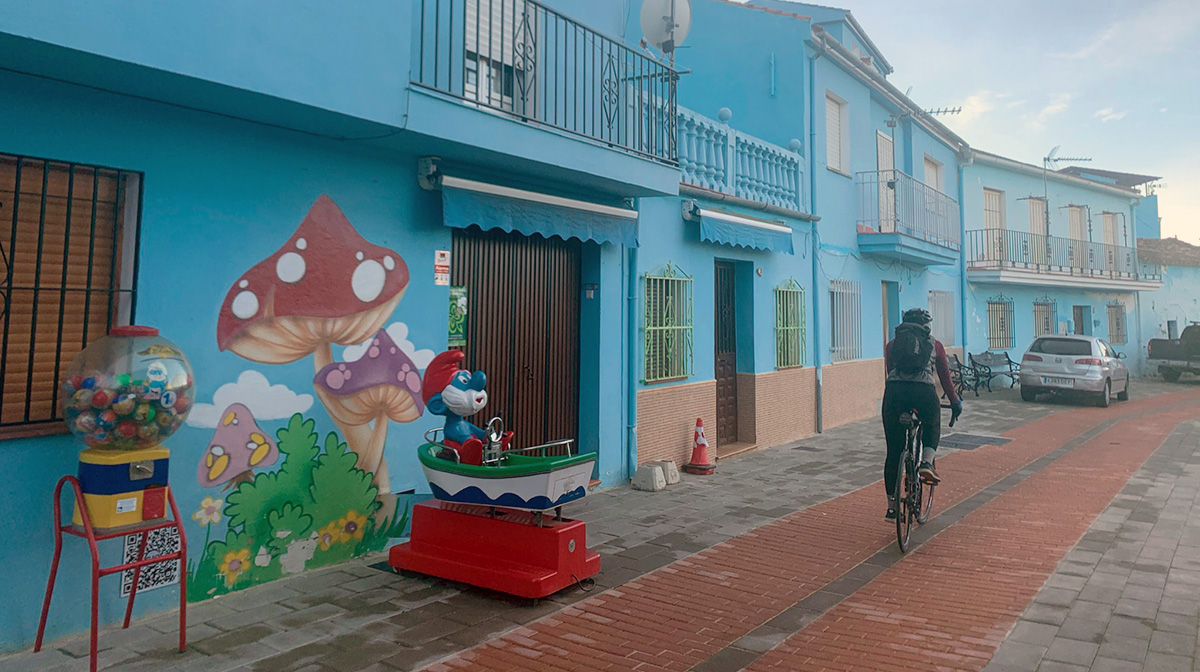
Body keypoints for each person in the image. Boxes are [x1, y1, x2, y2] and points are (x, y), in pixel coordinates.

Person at [882, 307, 962, 520]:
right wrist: (955, 402)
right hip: (923, 393)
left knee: (893, 451)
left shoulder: (892, 345)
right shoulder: (934, 345)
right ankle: (927, 462)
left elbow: (890, 371)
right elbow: (944, 377)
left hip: (894, 394)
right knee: (933, 420)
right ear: (927, 326)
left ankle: (892, 507)